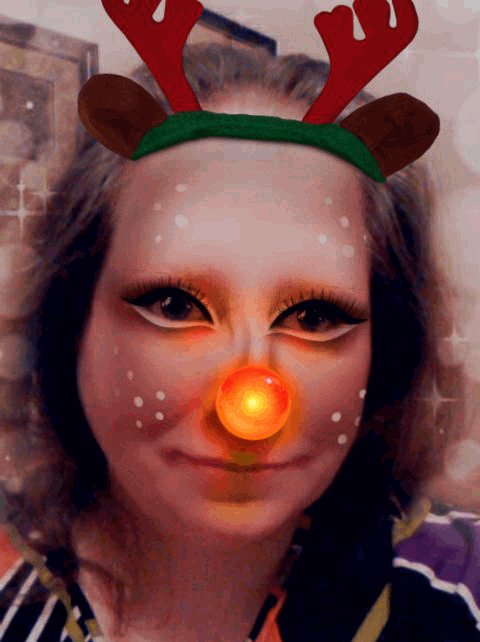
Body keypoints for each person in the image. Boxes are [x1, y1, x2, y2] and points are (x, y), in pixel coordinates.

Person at [1, 3, 479, 641]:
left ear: (383, 351)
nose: (251, 407)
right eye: (175, 305)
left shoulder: (456, 592)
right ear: (75, 321)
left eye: (315, 316)